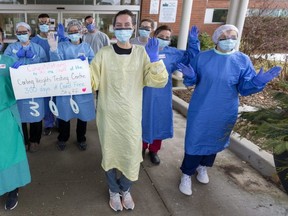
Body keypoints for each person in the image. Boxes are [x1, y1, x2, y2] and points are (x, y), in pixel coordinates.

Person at [177, 24, 282, 196]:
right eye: (224, 37)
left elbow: (244, 88)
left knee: (214, 140)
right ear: (216, 39)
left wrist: (257, 81)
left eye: (233, 37)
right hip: (202, 108)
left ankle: (203, 167)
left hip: (225, 109)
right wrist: (190, 76)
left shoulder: (242, 60)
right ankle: (186, 173)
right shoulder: (203, 58)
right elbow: (192, 81)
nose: (229, 40)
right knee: (195, 141)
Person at [89, 9, 168, 212]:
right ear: (113, 28)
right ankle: (113, 190)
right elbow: (91, 81)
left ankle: (126, 188)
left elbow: (157, 81)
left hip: (131, 115)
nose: (123, 28)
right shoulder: (103, 54)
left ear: (133, 28)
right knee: (110, 152)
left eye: (127, 25)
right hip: (109, 115)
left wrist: (156, 60)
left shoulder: (141, 53)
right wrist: (77, 71)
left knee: (131, 153)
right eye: (119, 25)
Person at [137, 25, 200, 165]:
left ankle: (154, 150)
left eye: (167, 38)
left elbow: (192, 58)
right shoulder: (140, 51)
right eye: (161, 37)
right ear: (154, 35)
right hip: (143, 93)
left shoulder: (173, 53)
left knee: (159, 120)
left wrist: (194, 42)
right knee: (142, 120)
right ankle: (140, 148)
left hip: (162, 94)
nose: (165, 39)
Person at [47, 20, 95, 151]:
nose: (74, 34)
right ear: (67, 33)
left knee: (82, 114)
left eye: (76, 31)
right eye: (71, 32)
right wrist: (53, 49)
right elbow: (56, 64)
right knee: (64, 113)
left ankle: (81, 138)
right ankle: (63, 138)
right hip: (65, 87)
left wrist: (86, 64)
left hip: (82, 87)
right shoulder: (61, 46)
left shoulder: (86, 47)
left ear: (81, 31)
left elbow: (94, 63)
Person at [0, 27, 31, 210]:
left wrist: (20, 74)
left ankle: (13, 189)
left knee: (11, 154)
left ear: (3, 41)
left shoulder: (9, 62)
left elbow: (22, 88)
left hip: (6, 115)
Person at [4, 22, 47, 153]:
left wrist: (33, 57)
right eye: (19, 32)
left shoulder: (37, 48)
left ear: (30, 32)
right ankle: (23, 140)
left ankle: (34, 141)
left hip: (35, 87)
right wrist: (15, 58)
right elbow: (4, 63)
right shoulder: (11, 48)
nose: (22, 35)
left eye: (24, 32)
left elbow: (45, 65)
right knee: (20, 114)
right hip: (17, 87)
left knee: (36, 113)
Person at [31, 13, 68, 136]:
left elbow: (66, 49)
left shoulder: (56, 37)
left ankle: (59, 121)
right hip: (42, 76)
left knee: (59, 100)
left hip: (57, 74)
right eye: (41, 23)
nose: (44, 25)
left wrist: (64, 38)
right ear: (38, 24)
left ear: (50, 23)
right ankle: (48, 123)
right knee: (47, 101)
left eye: (46, 22)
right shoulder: (34, 41)